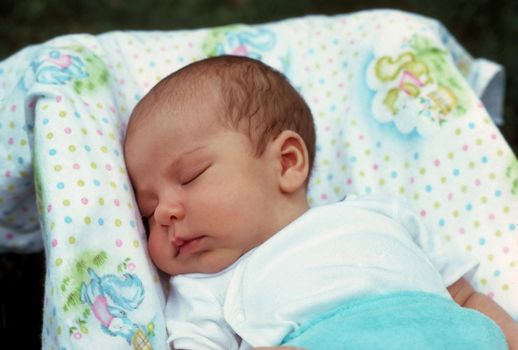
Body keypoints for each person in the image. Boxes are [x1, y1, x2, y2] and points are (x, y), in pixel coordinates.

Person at [124, 55, 518, 350]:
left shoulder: (378, 214)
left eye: (191, 176)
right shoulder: (202, 288)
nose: (163, 213)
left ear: (286, 163)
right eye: (146, 214)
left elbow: (466, 298)